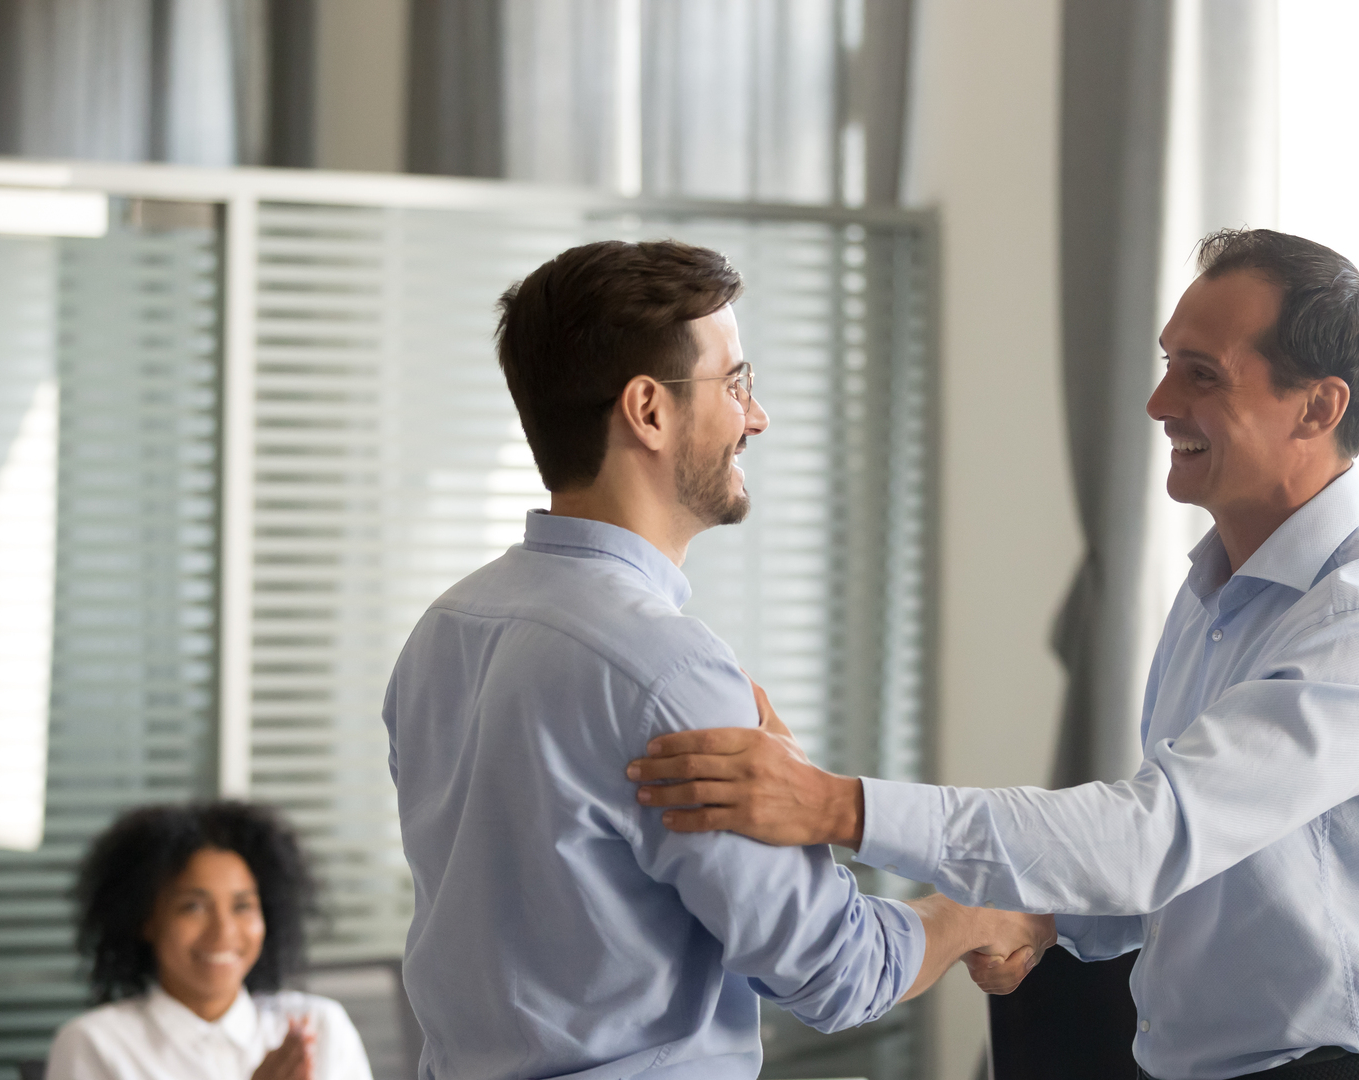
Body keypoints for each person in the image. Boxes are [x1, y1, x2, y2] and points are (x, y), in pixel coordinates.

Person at [629, 229, 1359, 1080]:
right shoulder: (1218, 587)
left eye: (1203, 374)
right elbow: (1204, 867)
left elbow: (1153, 838)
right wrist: (1045, 920)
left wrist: (839, 808)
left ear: (1317, 408)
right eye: (1167, 362)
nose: (1158, 402)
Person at [381, 239, 1053, 1080]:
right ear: (649, 410)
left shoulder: (445, 630)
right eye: (735, 383)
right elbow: (835, 972)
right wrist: (971, 915)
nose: (758, 416)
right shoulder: (665, 671)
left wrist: (794, 804)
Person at [47, 802, 373, 1080]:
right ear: (145, 919)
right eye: (194, 907)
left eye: (242, 906)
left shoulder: (317, 1027)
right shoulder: (96, 1044)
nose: (224, 932)